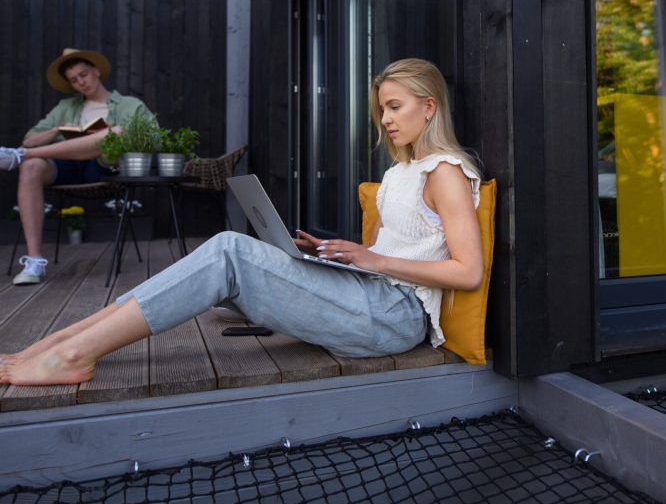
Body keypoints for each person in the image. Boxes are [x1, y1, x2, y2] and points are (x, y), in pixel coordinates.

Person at [0, 58, 483, 387]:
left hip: (395, 317)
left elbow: (468, 271)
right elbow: (396, 253)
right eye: (382, 109)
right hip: (368, 293)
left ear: (430, 105)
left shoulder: (447, 172)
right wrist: (334, 251)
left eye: (394, 107)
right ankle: (64, 341)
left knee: (230, 249)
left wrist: (370, 256)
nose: (385, 119)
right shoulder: (401, 171)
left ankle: (71, 355)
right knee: (229, 251)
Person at [0, 48, 155, 285]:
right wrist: (57, 129)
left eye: (83, 74)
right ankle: (34, 261)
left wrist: (112, 138)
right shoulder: (66, 107)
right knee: (31, 168)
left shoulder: (129, 104)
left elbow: (154, 138)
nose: (80, 82)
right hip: (68, 166)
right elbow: (29, 138)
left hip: (104, 166)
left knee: (115, 132)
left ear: (95, 71)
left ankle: (20, 156)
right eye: (73, 80)